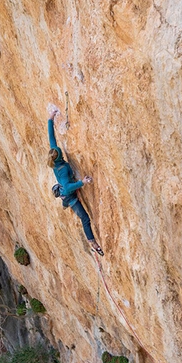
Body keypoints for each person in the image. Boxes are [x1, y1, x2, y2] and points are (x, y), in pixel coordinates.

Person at [47, 108, 104, 256]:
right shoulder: (63, 170)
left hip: (66, 190)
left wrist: (50, 119)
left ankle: (92, 241)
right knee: (85, 218)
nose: (57, 148)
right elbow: (67, 186)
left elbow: (51, 138)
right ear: (59, 157)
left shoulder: (54, 156)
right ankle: (92, 242)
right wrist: (82, 182)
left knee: (84, 216)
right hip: (70, 196)